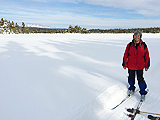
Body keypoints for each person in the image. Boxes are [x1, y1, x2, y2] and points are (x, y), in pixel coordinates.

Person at [122, 30, 150, 101]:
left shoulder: (143, 45)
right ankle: (131, 89)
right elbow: (125, 55)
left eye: (138, 36)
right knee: (131, 78)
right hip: (131, 65)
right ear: (133, 37)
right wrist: (124, 63)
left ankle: (143, 93)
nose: (136, 37)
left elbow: (147, 56)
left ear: (140, 37)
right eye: (135, 36)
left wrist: (147, 65)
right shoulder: (129, 45)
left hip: (140, 66)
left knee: (140, 79)